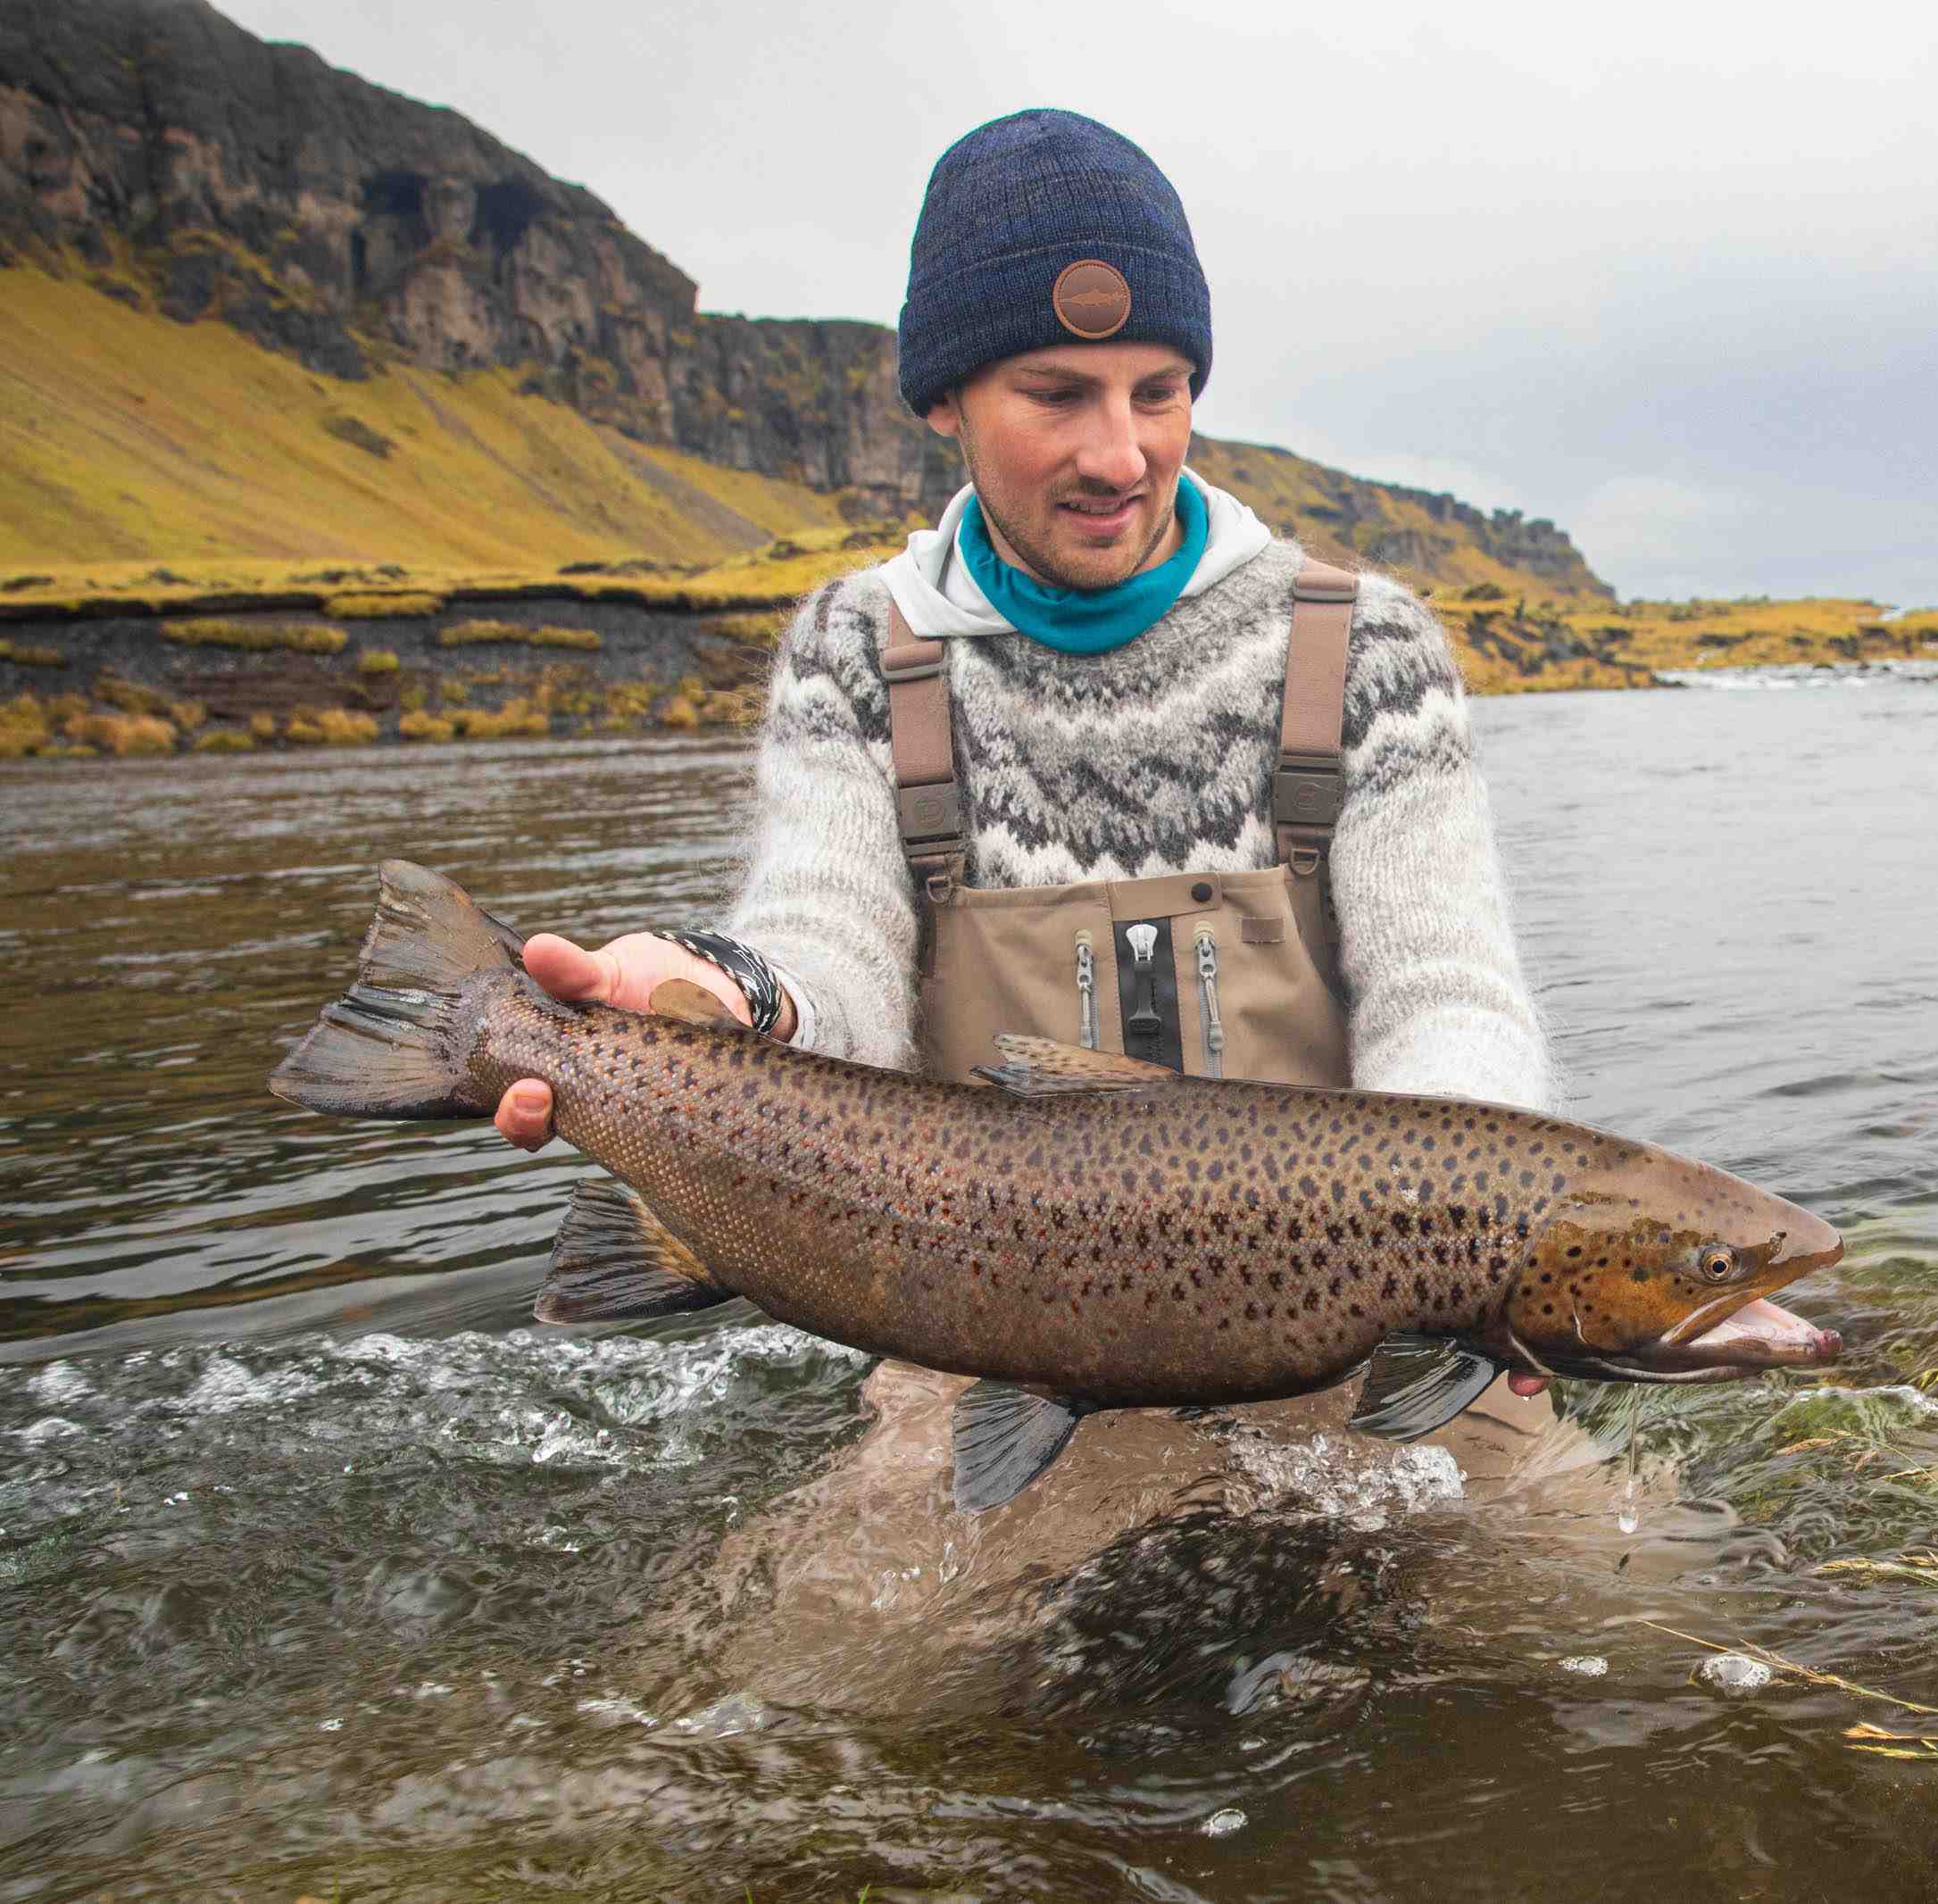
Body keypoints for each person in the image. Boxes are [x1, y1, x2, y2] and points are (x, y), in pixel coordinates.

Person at [489, 109, 1563, 1485]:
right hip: (989, 1335)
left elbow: (1451, 997)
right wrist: (724, 997)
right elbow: (832, 962)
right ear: (943, 398)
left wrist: (1468, 1249)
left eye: (1160, 389)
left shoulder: (1371, 648)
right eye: (1059, 394)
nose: (1121, 453)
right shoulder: (855, 653)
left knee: (1631, 1628)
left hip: (1365, 1342)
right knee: (813, 1688)